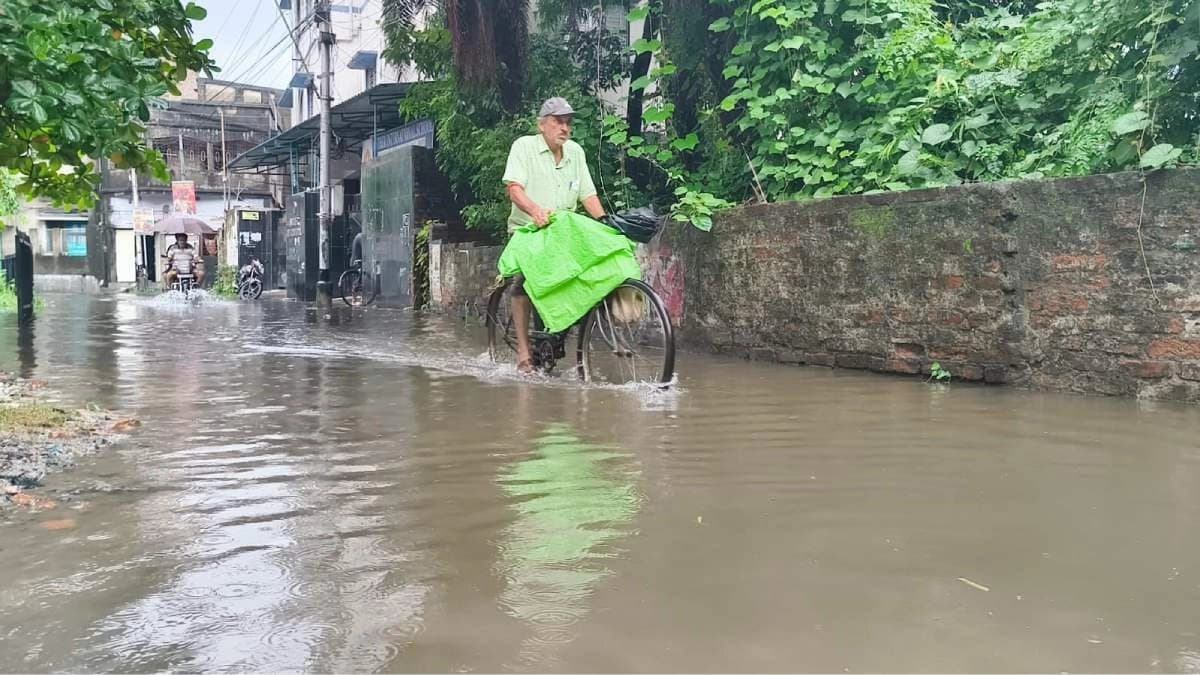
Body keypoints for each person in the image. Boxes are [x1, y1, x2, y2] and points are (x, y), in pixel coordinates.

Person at [502, 97, 607, 372]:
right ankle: (524, 355)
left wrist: (606, 223)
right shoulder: (524, 147)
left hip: (563, 231)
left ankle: (556, 334)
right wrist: (535, 211)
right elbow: (514, 189)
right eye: (558, 122)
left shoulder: (576, 152)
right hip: (528, 229)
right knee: (523, 281)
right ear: (542, 125)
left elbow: (588, 195)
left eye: (568, 122)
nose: (564, 128)